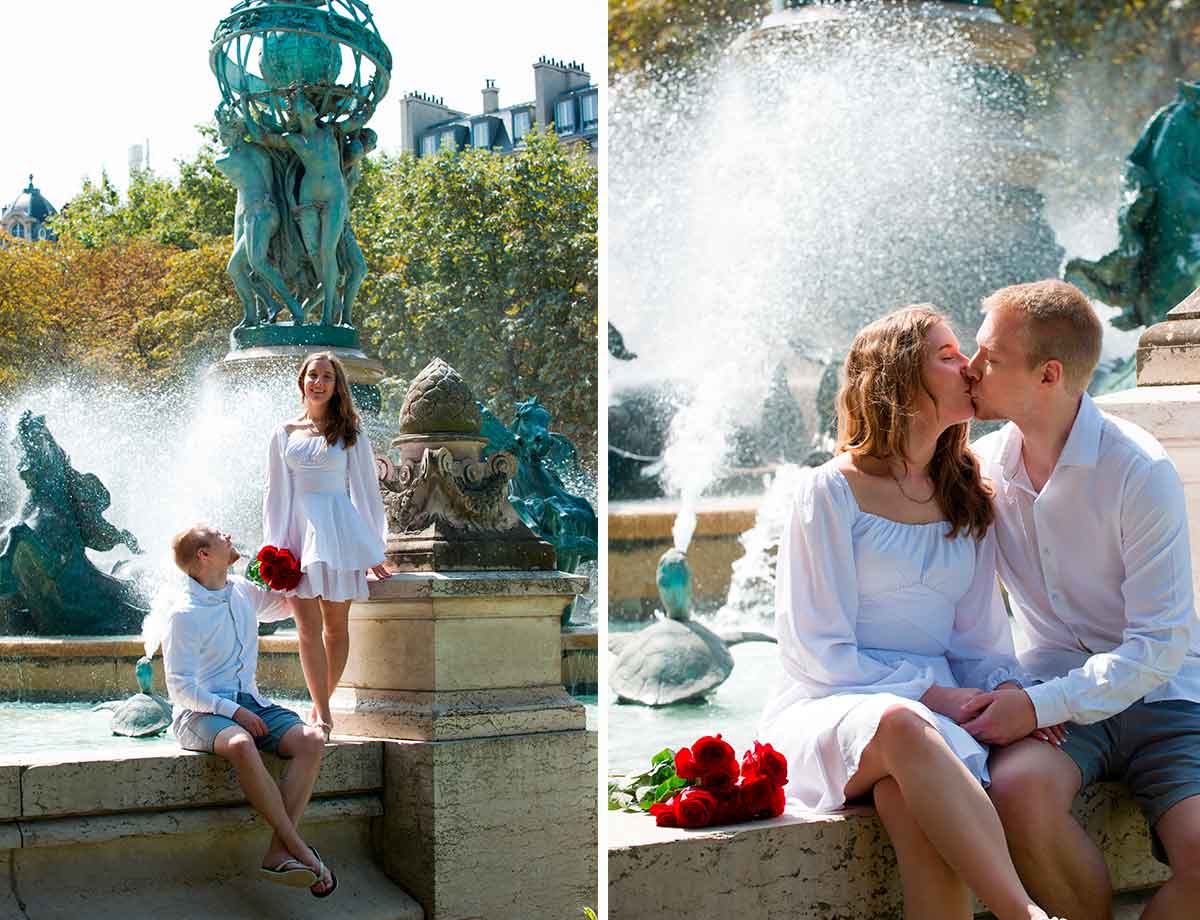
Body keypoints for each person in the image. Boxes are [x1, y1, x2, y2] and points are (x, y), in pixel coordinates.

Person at [760, 306, 1062, 920]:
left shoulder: (967, 495)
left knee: (909, 802)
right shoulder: (828, 491)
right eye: (947, 355)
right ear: (898, 375)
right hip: (832, 704)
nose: (970, 365)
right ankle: (1023, 915)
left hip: (929, 727)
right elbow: (814, 650)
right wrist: (930, 695)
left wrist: (1010, 694)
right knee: (899, 725)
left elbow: (980, 644)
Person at [962, 279, 1199, 920]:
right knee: (1016, 791)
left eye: (991, 357)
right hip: (1064, 706)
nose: (969, 367)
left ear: (1049, 375)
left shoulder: (1138, 471)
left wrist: (1036, 704)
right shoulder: (979, 469)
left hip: (1168, 696)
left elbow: (1158, 648)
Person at [161, 524, 336, 897]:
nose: (227, 535)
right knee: (241, 743)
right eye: (217, 534)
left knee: (311, 740)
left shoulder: (239, 589)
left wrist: (302, 574)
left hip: (250, 702)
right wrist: (233, 712)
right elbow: (179, 688)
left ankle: (278, 852)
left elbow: (284, 605)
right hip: (200, 713)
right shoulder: (182, 614)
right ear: (204, 556)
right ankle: (300, 849)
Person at [263, 351, 389, 740]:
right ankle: (326, 716)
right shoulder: (283, 433)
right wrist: (273, 548)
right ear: (302, 381)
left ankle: (320, 709)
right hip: (299, 536)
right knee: (306, 629)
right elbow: (274, 494)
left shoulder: (351, 432)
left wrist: (374, 550)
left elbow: (367, 493)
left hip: (338, 532)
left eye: (327, 377)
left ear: (337, 386)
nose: (318, 382)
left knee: (335, 628)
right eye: (312, 375)